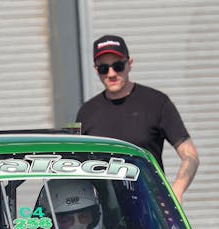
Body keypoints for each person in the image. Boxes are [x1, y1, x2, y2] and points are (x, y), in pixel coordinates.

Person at [76, 34, 199, 203]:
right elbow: (76, 165)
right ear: (96, 70)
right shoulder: (87, 112)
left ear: (129, 64)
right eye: (104, 68)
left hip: (151, 208)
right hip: (104, 211)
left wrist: (176, 190)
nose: (111, 74)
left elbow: (190, 155)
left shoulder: (156, 102)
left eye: (118, 66)